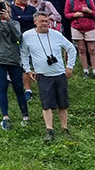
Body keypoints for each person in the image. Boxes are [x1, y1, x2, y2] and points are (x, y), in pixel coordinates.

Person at [20, 11, 75, 141]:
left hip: (59, 73)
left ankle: (64, 128)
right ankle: (49, 130)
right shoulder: (27, 36)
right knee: (46, 103)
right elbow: (23, 54)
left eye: (46, 21)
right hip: (43, 75)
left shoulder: (56, 34)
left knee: (63, 103)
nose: (44, 24)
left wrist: (70, 67)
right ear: (35, 22)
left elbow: (71, 49)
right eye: (41, 21)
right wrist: (28, 70)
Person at [0, 0, 30, 129]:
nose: (0, 10)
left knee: (18, 87)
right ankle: (5, 117)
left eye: (2, 7)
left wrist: (8, 20)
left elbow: (17, 37)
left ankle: (25, 116)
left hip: (13, 58)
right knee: (2, 86)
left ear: (8, 8)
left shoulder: (15, 22)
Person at [63, 0, 95, 78]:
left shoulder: (89, 0)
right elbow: (66, 14)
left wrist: (89, 11)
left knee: (92, 49)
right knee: (81, 49)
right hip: (76, 26)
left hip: (90, 26)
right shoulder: (70, 1)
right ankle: (85, 71)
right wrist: (74, 15)